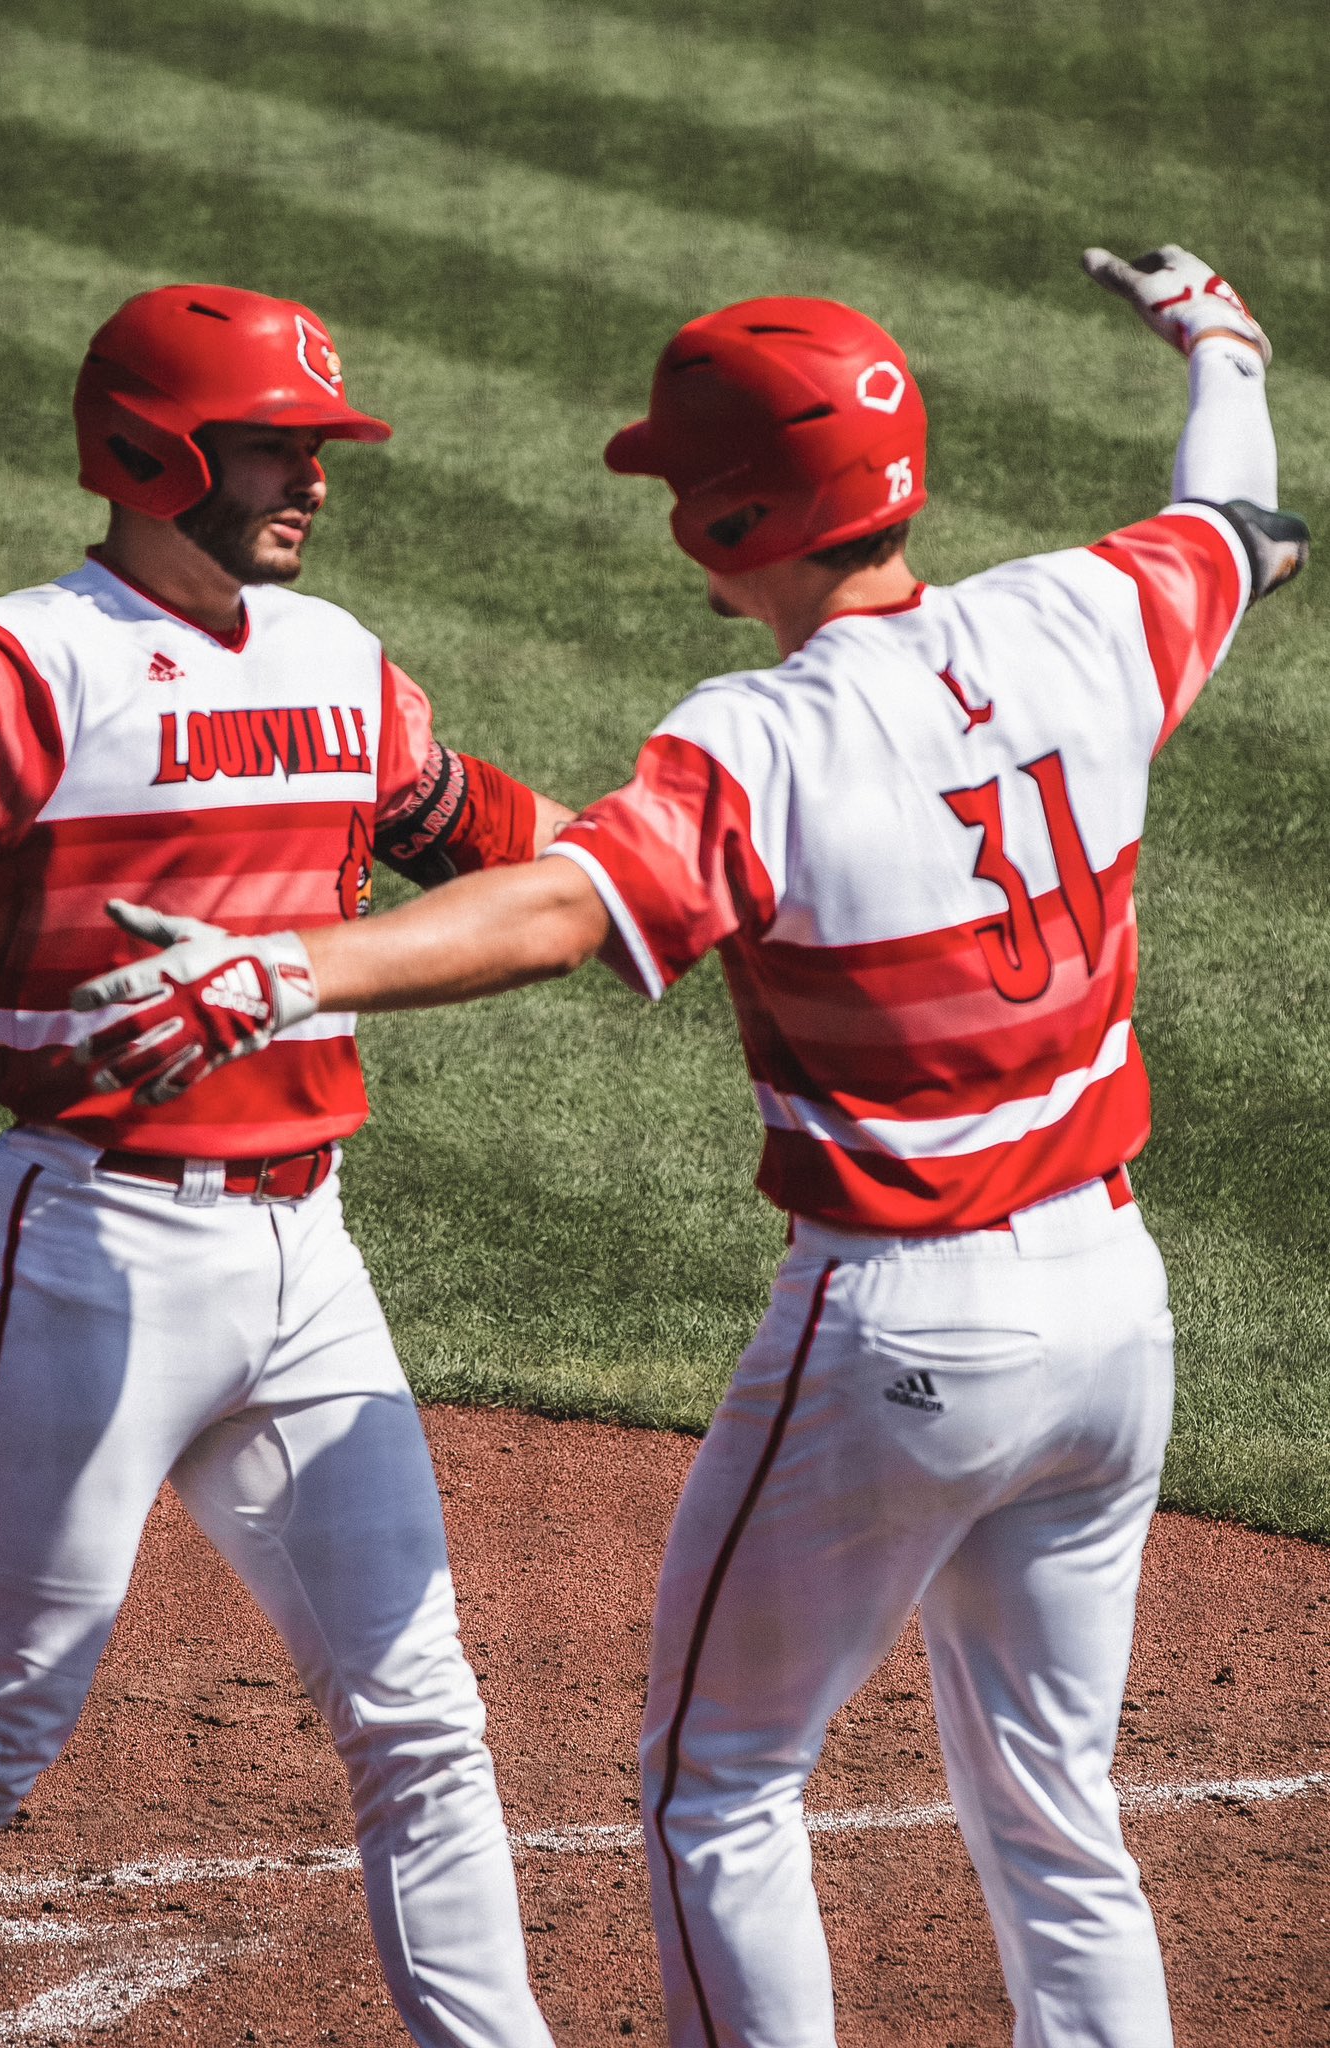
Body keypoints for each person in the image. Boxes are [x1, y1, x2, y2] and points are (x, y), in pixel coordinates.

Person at [72, 245, 1308, 2048]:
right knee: (1057, 1803)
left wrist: (288, 967)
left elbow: (557, 916)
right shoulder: (1092, 611)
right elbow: (1243, 516)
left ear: (732, 518)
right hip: (1118, 1312)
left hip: (902, 1330)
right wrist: (1220, 335)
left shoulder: (762, 742)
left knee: (715, 1782)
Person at [0, 284, 569, 2048]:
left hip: (311, 1254)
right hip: (95, 1251)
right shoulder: (42, 652)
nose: (316, 480)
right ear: (157, 451)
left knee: (421, 1713)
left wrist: (672, 854)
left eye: (316, 446)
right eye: (280, 445)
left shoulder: (334, 657)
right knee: (0, 1715)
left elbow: (479, 832)